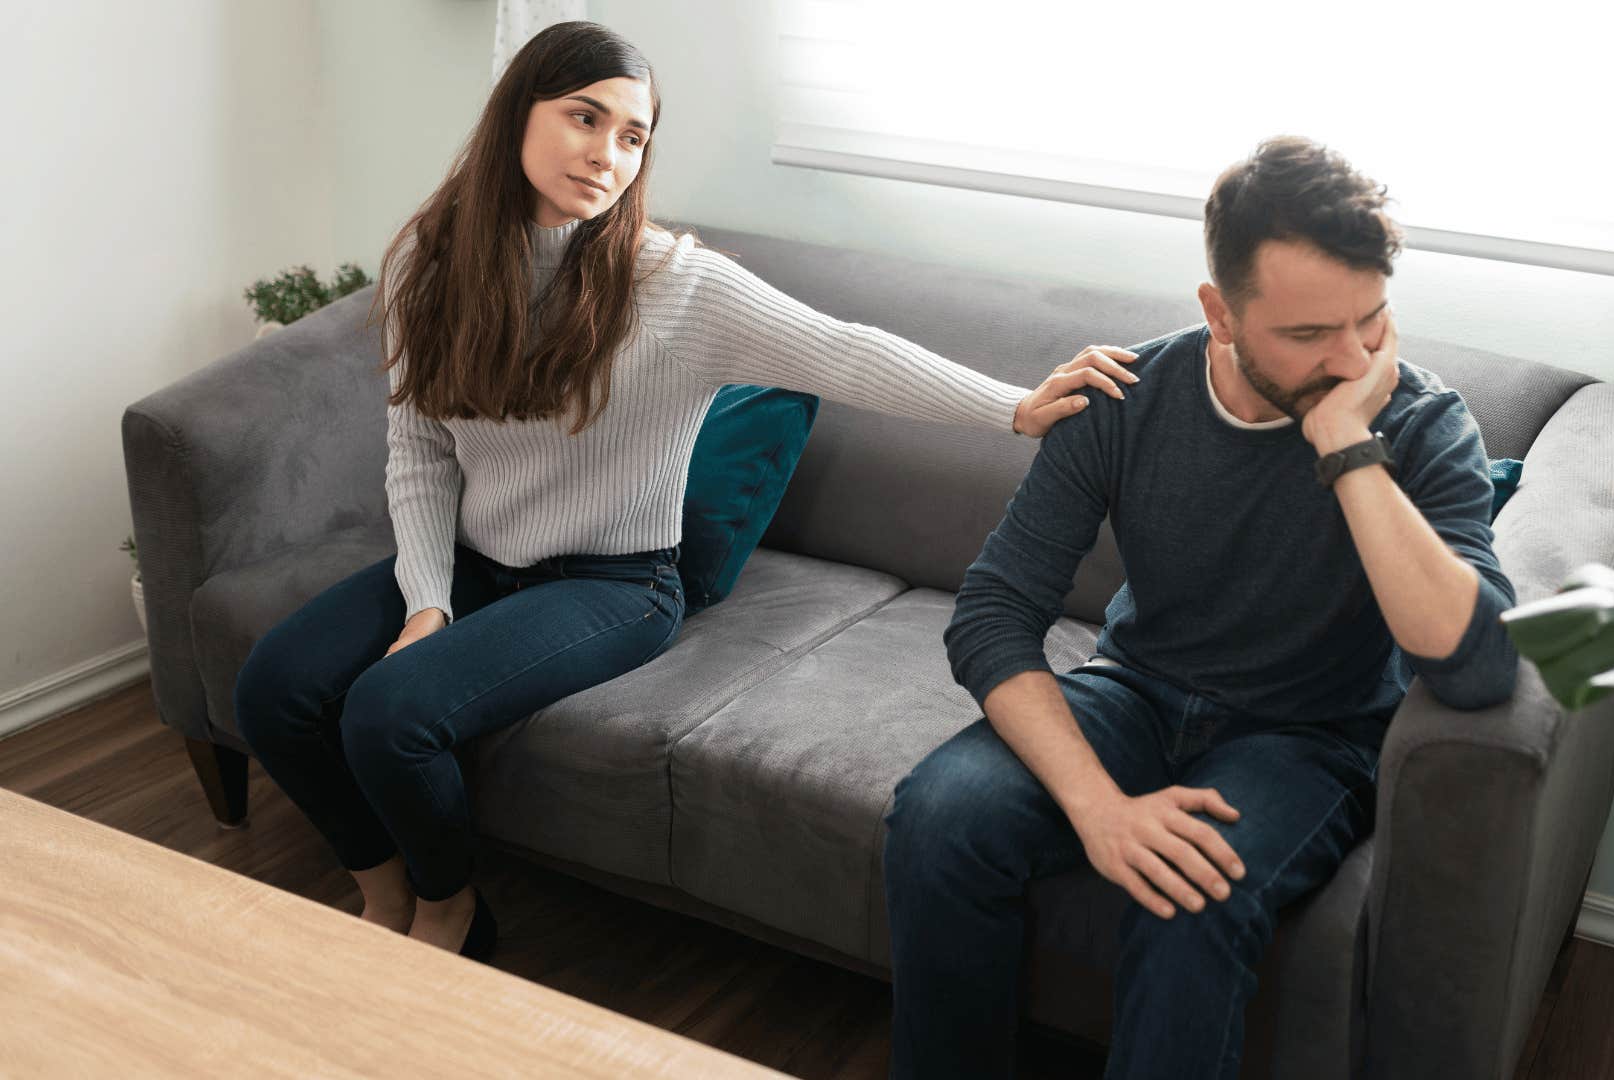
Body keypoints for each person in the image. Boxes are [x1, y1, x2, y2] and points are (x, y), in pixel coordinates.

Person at [232, 21, 1136, 961]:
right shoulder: (433, 259)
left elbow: (844, 351)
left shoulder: (675, 286)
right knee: (274, 690)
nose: (607, 154)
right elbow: (418, 449)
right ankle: (382, 891)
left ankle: (451, 909)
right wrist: (426, 599)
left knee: (388, 715)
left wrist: (1013, 408)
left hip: (612, 585)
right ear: (516, 114)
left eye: (632, 136)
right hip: (471, 558)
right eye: (585, 117)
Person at [883, 135, 1521, 1079]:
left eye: (1372, 320)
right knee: (937, 818)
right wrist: (1100, 808)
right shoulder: (1124, 398)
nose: (1353, 359)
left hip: (1312, 736)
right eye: (1309, 335)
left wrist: (1348, 449)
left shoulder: (1423, 423)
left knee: (1192, 896)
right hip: (1136, 690)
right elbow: (992, 614)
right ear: (1219, 312)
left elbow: (1473, 668)